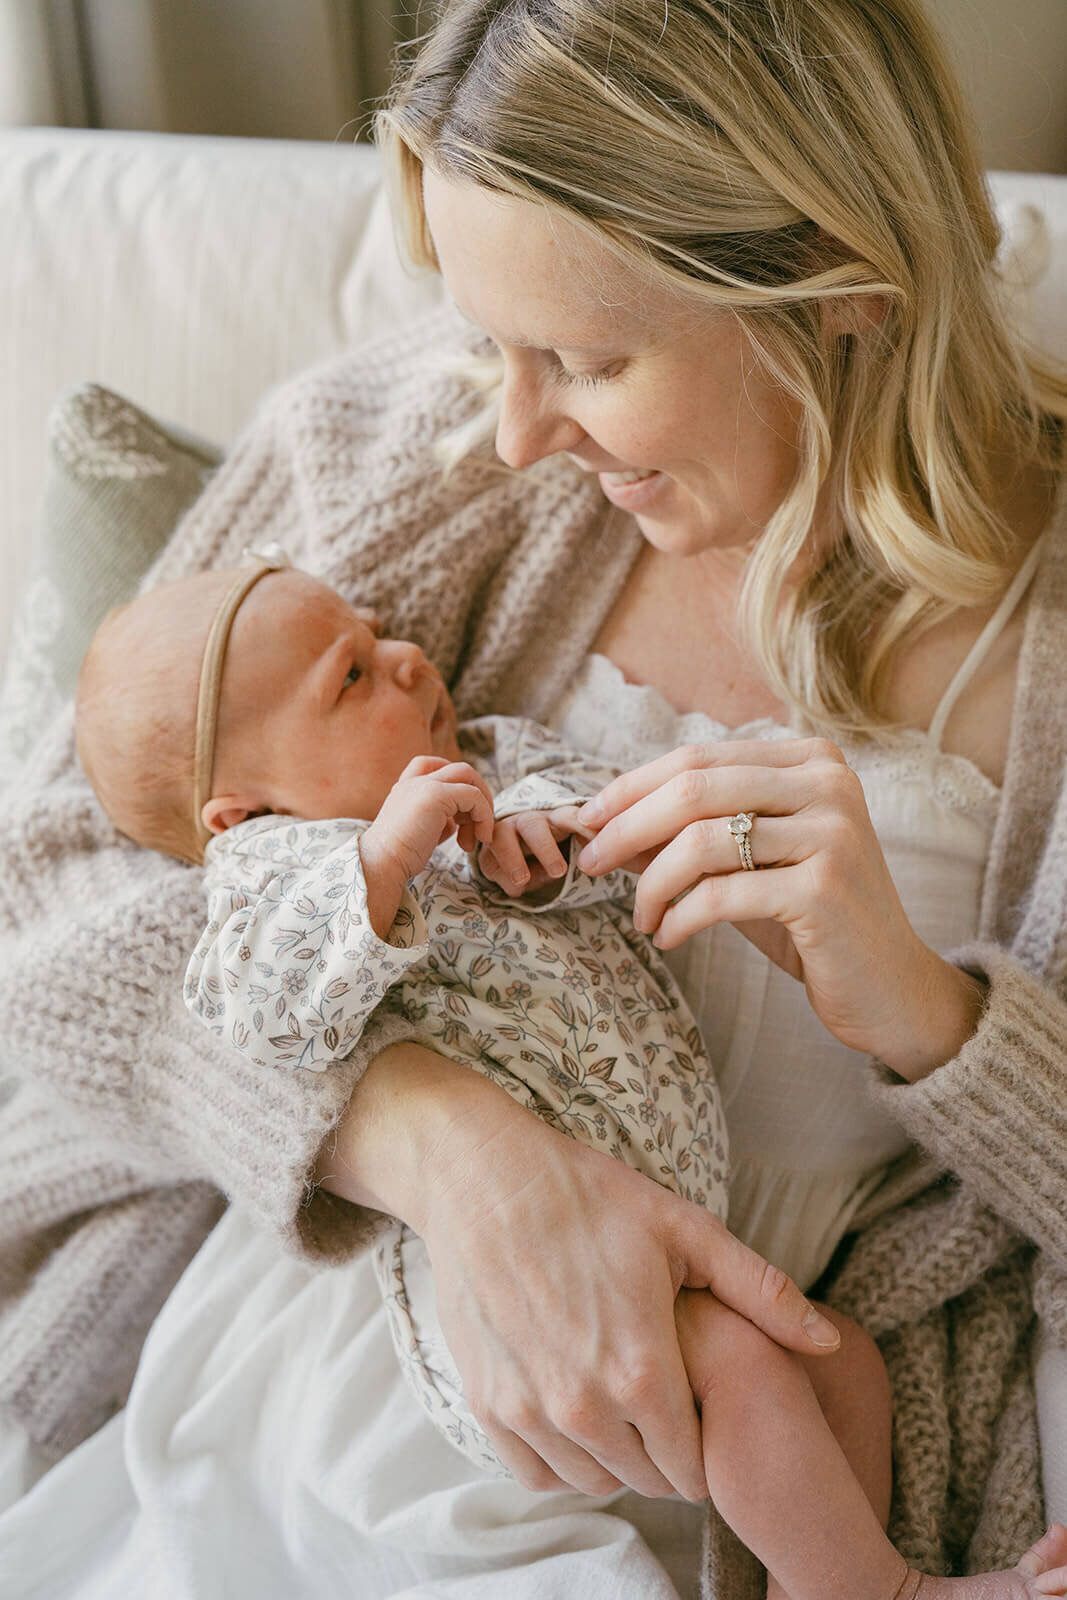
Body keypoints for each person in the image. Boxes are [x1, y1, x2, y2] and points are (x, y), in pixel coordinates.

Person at [0, 0, 1065, 1594]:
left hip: (781, 1462)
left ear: (838, 283)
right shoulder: (409, 452)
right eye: (485, 338)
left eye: (585, 360)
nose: (510, 428)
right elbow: (53, 890)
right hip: (338, 1416)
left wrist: (934, 1021)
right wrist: (439, 1146)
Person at [72, 555, 1067, 1600]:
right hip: (509, 1297)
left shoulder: (493, 757)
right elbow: (262, 1018)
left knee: (842, 1363)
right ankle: (880, 1592)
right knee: (748, 1375)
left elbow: (600, 829)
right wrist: (376, 866)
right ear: (241, 814)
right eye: (352, 676)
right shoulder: (278, 877)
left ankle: (822, 1582)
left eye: (375, 634)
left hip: (659, 1215)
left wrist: (550, 841)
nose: (406, 656)